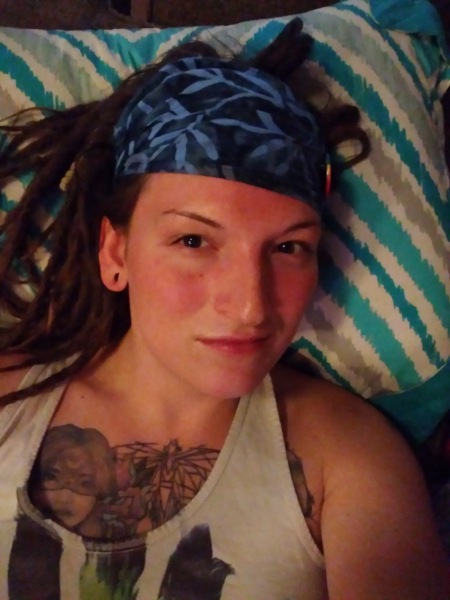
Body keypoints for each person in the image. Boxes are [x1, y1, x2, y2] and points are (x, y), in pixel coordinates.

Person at [0, 18, 448, 600]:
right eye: (193, 240)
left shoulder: (346, 458)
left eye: (288, 247)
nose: (250, 306)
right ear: (115, 252)